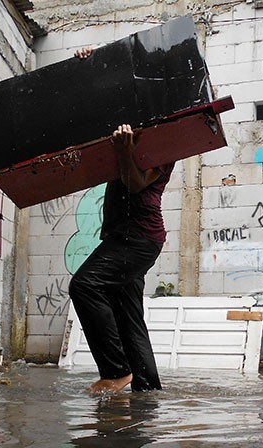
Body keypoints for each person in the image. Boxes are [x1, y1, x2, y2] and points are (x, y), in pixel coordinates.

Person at [69, 47, 175, 394]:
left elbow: (134, 183)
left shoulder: (166, 141)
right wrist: (90, 66)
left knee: (85, 285)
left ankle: (116, 371)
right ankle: (147, 388)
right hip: (125, 236)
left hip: (138, 240)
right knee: (130, 317)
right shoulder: (131, 127)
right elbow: (103, 99)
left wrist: (123, 152)